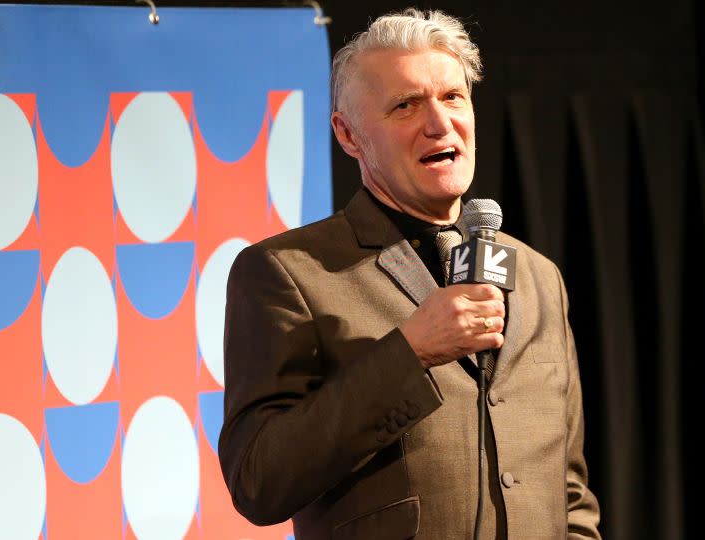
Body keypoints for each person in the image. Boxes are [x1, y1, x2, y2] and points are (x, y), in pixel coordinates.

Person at [219, 8, 601, 539]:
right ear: (348, 134)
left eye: (452, 97)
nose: (440, 123)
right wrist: (410, 352)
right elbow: (258, 480)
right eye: (406, 105)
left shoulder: (538, 277)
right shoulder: (290, 273)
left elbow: (570, 491)